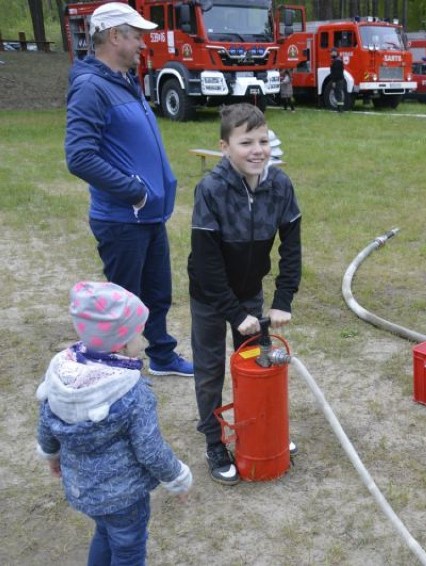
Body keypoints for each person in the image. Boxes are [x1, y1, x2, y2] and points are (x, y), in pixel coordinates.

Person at [64, 2, 193, 378]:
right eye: (136, 35)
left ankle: (163, 357)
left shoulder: (124, 80)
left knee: (156, 295)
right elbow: (79, 156)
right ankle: (118, 372)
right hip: (123, 218)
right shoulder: (91, 87)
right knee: (123, 301)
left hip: (149, 215)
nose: (142, 43)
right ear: (114, 36)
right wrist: (134, 191)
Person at [36, 281, 193, 564]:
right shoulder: (130, 391)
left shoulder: (61, 375)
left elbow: (46, 423)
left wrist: (51, 456)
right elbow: (150, 449)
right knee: (128, 549)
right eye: (138, 336)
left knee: (104, 534)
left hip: (81, 489)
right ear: (121, 343)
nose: (142, 343)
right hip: (124, 498)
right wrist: (177, 477)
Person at [187, 103, 302, 485]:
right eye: (245, 142)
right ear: (224, 147)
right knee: (209, 372)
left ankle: (260, 430)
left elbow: (292, 247)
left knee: (257, 364)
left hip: (250, 292)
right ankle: (214, 439)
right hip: (210, 295)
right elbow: (206, 261)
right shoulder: (211, 190)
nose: (257, 150)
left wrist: (283, 299)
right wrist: (235, 314)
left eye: (263, 140)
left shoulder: (280, 186)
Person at [329, 48, 345, 112]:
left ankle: (340, 109)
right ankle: (339, 108)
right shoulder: (337, 60)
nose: (331, 53)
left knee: (338, 94)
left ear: (335, 52)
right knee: (338, 94)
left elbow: (336, 73)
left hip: (338, 80)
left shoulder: (337, 61)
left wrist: (334, 81)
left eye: (332, 52)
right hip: (339, 80)